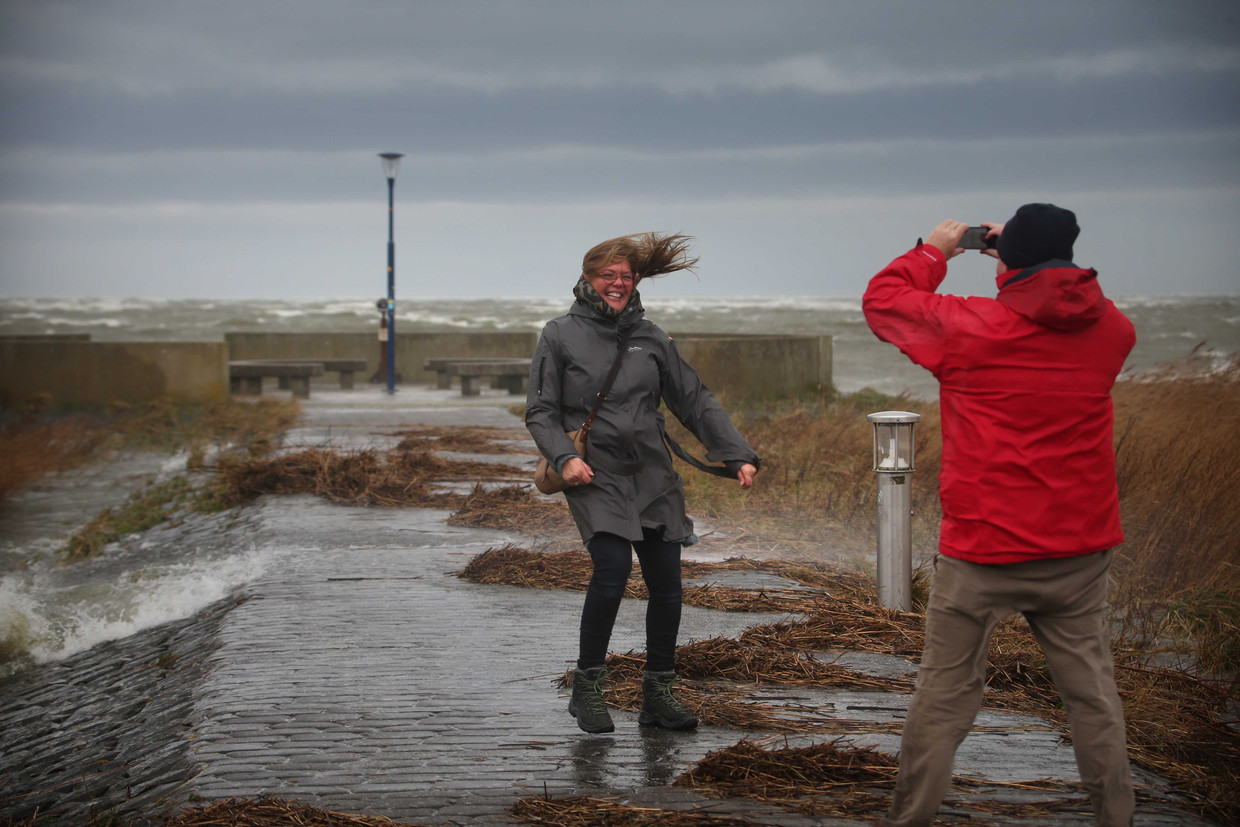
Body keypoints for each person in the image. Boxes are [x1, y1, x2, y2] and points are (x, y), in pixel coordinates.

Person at [862, 204, 1137, 827]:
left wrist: (936, 251)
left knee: (945, 694)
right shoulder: (1114, 331)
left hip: (983, 548)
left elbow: (885, 302)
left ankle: (912, 819)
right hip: (1079, 547)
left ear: (1004, 256)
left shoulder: (968, 327)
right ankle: (1117, 817)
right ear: (1067, 257)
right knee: (1092, 695)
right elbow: (1074, 309)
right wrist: (1029, 268)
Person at [525, 232, 760, 734]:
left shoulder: (652, 336)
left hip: (654, 475)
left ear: (636, 282)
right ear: (588, 279)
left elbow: (693, 399)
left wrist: (735, 453)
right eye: (607, 275)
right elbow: (540, 412)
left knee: (668, 588)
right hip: (595, 473)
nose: (617, 283)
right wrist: (565, 458)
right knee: (610, 572)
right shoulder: (559, 334)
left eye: (625, 276)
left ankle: (659, 695)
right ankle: (588, 688)